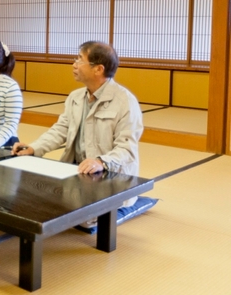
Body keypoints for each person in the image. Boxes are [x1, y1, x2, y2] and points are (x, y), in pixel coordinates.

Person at [11, 41, 143, 207]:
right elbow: (61, 130)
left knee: (85, 219)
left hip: (106, 175)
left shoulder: (125, 101)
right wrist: (34, 148)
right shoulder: (76, 97)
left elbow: (127, 148)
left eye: (80, 60)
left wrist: (101, 162)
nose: (74, 65)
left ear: (98, 69)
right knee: (26, 191)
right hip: (76, 171)